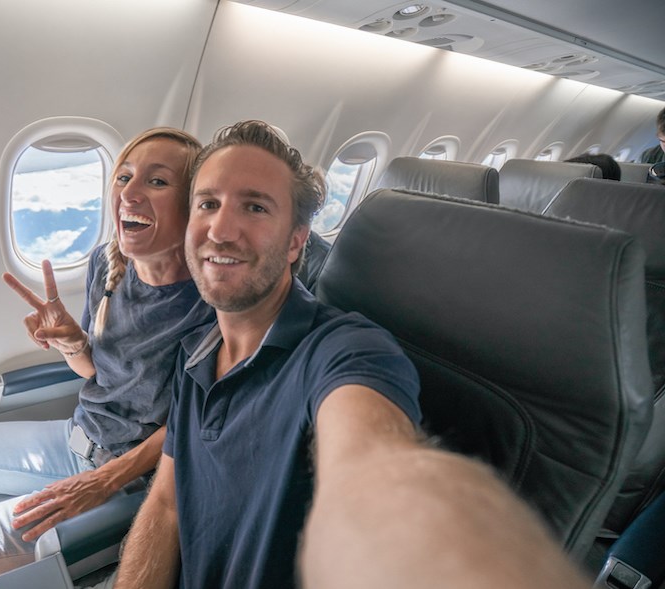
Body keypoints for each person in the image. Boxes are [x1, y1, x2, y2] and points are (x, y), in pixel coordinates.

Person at [113, 120, 591, 589]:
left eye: (255, 208)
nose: (221, 229)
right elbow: (167, 504)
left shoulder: (346, 351)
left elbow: (373, 469)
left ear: (296, 240)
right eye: (208, 204)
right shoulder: (196, 351)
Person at [0, 126, 212, 588]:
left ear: (193, 206)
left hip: (130, 475)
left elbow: (190, 426)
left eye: (157, 182)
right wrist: (73, 344)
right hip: (75, 436)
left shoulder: (207, 302)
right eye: (123, 177)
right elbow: (96, 374)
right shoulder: (107, 264)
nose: (130, 193)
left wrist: (100, 483)